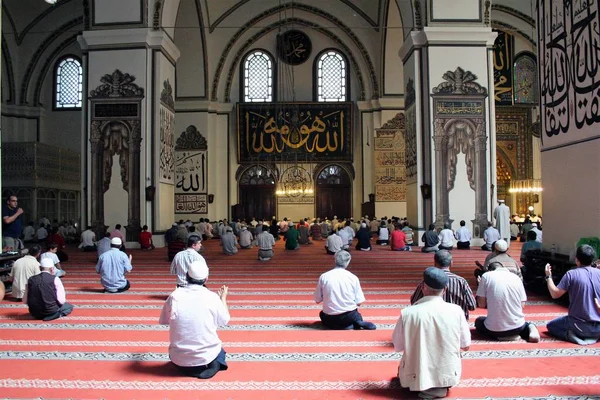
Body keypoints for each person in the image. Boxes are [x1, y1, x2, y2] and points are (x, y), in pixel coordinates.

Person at [392, 267, 470, 399]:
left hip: (414, 376)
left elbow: (398, 346)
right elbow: (466, 345)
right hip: (449, 375)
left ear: (423, 287)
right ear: (444, 290)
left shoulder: (408, 313)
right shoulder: (456, 311)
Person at [159, 260, 230, 379]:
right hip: (207, 355)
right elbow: (225, 320)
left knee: (178, 356)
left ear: (186, 276)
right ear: (206, 279)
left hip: (179, 358)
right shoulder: (212, 297)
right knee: (220, 351)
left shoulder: (174, 296)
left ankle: (189, 369)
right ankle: (214, 365)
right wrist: (223, 298)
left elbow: (164, 320)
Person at [545, 245, 600, 345]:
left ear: (577, 259)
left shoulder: (571, 274)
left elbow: (555, 294)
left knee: (551, 326)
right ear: (592, 260)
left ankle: (571, 335)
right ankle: (594, 337)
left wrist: (548, 276)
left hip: (578, 325)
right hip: (598, 327)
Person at [475, 259, 540, 343]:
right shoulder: (516, 278)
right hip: (517, 327)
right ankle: (530, 329)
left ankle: (501, 336)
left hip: (493, 330)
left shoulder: (486, 276)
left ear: (490, 270)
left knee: (479, 321)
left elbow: (481, 304)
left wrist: (481, 286)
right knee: (527, 324)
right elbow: (522, 305)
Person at [314, 250, 376, 330]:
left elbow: (317, 300)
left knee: (322, 314)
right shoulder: (353, 278)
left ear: (335, 260)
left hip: (329, 318)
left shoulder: (324, 276)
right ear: (348, 262)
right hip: (349, 316)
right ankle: (356, 322)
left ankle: (342, 326)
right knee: (355, 315)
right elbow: (359, 302)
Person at [410, 250, 476, 320]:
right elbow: (472, 306)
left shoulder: (428, 281)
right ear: (451, 263)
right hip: (457, 323)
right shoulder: (461, 281)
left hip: (434, 322)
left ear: (435, 263)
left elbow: (414, 302)